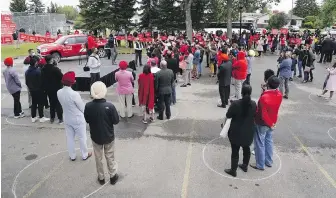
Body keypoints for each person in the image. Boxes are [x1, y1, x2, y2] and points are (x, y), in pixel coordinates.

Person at [84, 81, 120, 185]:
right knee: (110, 156)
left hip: (95, 135)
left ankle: (101, 177)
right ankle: (113, 175)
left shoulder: (88, 106)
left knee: (98, 157)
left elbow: (87, 119)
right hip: (108, 135)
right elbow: (116, 121)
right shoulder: (110, 106)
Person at [57, 71, 91, 161]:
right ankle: (85, 154)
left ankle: (72, 155)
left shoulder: (59, 92)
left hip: (67, 117)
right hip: (77, 118)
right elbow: (82, 108)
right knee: (82, 137)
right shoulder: (74, 94)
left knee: (70, 138)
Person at [224, 85, 257, 177]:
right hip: (249, 132)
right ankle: (245, 165)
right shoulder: (253, 104)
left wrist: (231, 106)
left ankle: (233, 170)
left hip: (236, 132)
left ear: (241, 93)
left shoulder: (236, 104)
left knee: (235, 151)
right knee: (247, 149)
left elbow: (228, 115)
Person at [251, 76, 282, 170]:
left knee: (260, 143)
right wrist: (272, 124)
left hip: (262, 122)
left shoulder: (264, 97)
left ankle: (260, 164)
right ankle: (268, 161)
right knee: (269, 141)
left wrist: (269, 123)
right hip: (272, 120)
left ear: (268, 84)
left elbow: (263, 113)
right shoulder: (279, 95)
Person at [25, 56, 50, 123]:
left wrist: (30, 88)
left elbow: (26, 82)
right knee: (40, 104)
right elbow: (41, 81)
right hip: (39, 90)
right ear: (36, 63)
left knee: (34, 103)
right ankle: (41, 117)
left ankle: (33, 117)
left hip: (32, 90)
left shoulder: (27, 71)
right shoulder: (38, 71)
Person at [41, 55, 63, 123]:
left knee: (51, 103)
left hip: (48, 89)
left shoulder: (43, 68)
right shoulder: (55, 69)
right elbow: (61, 76)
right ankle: (60, 118)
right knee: (58, 104)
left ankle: (52, 117)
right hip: (56, 88)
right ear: (51, 60)